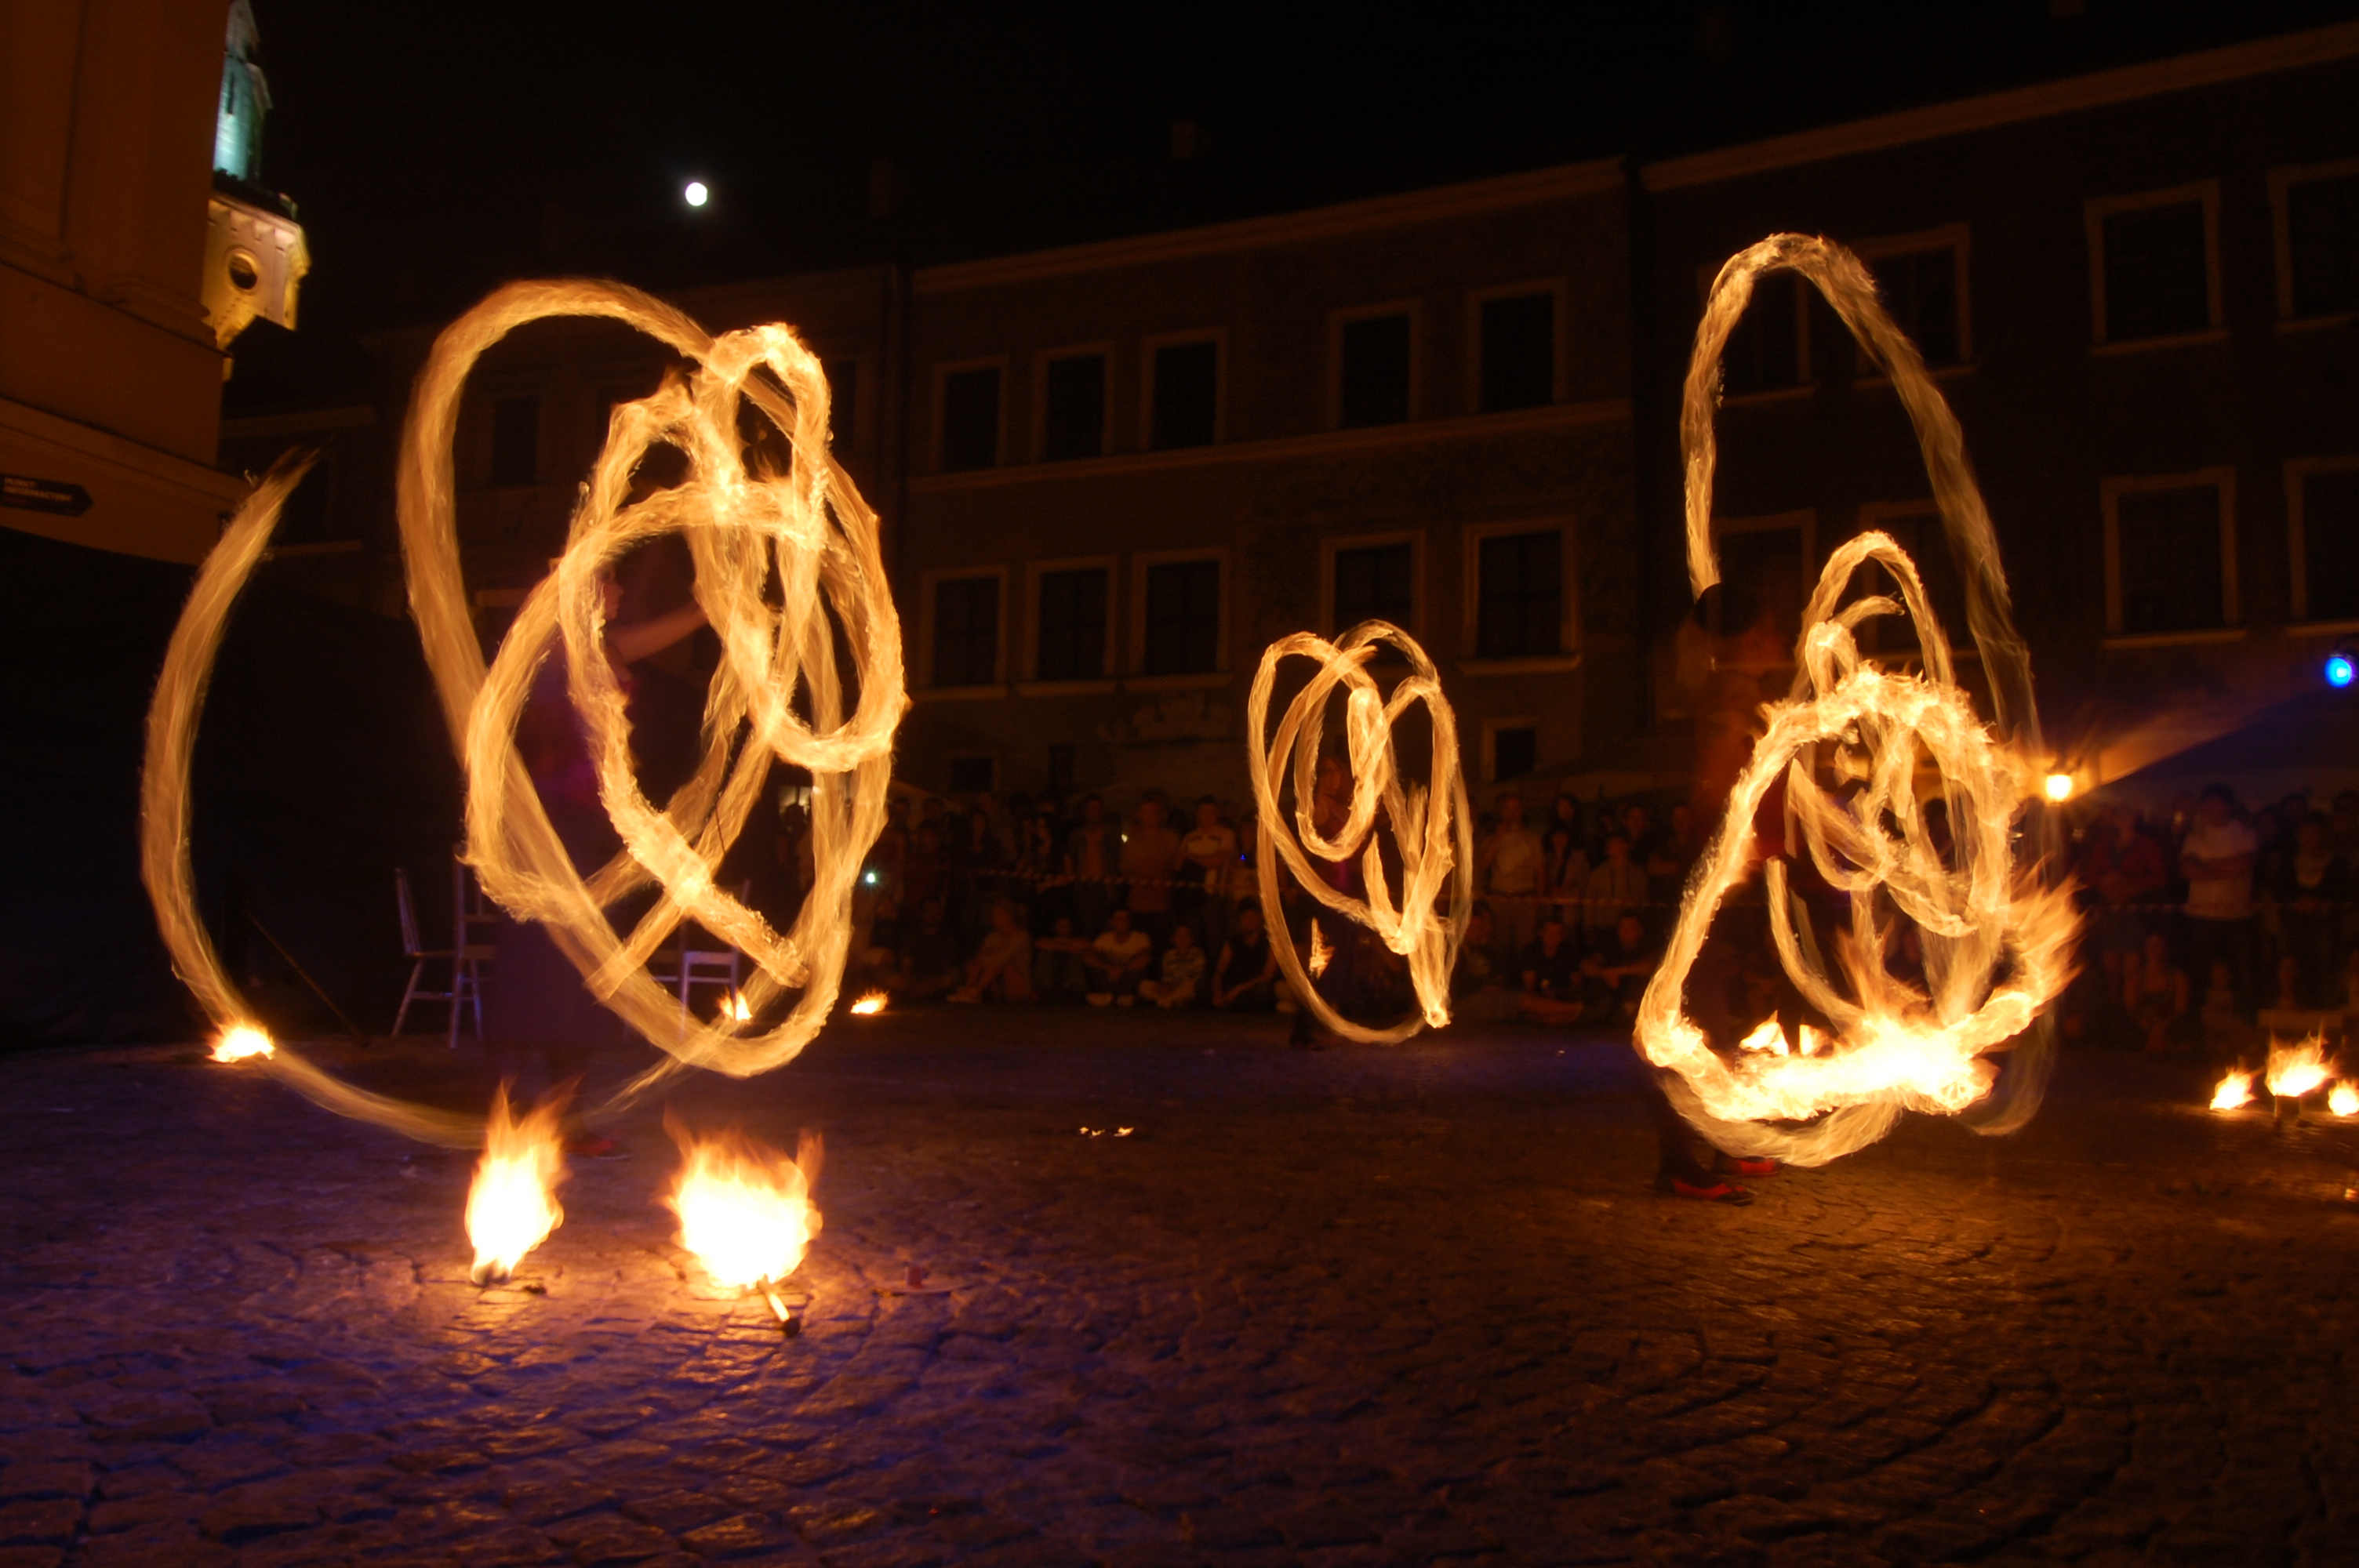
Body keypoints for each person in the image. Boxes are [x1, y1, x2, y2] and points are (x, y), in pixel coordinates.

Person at [484, 564, 706, 1157]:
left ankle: (563, 1118)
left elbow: (674, 626)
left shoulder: (603, 644)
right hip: (545, 825)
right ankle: (505, 1120)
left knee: (575, 976)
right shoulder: (554, 647)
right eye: (609, 582)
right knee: (538, 975)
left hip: (583, 826)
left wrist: (710, 606)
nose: (621, 591)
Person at [2181, 783, 2259, 1018]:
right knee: (2198, 969)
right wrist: (2228, 870)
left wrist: (2207, 867)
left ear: (2227, 806)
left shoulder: (2245, 833)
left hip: (2237, 916)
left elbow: (2245, 863)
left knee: (2244, 970)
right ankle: (2197, 1021)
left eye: (2213, 802)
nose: (2208, 807)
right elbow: (2187, 869)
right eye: (2206, 803)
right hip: (2202, 915)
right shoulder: (2196, 835)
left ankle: (2247, 1021)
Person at [2077, 804, 2167, 998]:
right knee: (2110, 965)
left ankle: (2129, 1005)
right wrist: (2105, 882)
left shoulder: (2146, 844)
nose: (2123, 819)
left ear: (2136, 817)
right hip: (2110, 909)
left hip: (2135, 911)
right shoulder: (2105, 843)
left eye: (2128, 814)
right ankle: (2113, 1006)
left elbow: (2159, 877)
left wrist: (2130, 883)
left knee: (2132, 965)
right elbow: (2091, 874)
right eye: (2119, 815)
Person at [2268, 813, 2348, 1007]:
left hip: (2324, 925)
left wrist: (2319, 902)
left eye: (2314, 833)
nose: (2308, 838)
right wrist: (2296, 901)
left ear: (2323, 836)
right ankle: (2291, 1006)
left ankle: (2325, 1010)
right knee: (2290, 967)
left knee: (2324, 966)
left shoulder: (2336, 864)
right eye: (2304, 834)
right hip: (2293, 925)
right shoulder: (2289, 863)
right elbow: (2279, 890)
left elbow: (2342, 892)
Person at [1478, 791, 1544, 956]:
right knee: (1500, 944)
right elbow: (1482, 865)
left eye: (1516, 809)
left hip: (1525, 899)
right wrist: (1498, 838)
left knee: (1526, 945)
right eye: (1508, 809)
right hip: (1500, 899)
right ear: (1502, 811)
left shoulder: (1532, 839)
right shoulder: (1490, 840)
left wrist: (1538, 901)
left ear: (1521, 811)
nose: (1512, 814)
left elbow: (1540, 872)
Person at [1179, 797, 1240, 960]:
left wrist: (1191, 857)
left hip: (1215, 895)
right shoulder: (1189, 837)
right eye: (1205, 812)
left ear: (1218, 814)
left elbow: (1217, 861)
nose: (1209, 816)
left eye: (1212, 812)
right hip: (1192, 897)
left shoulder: (1226, 834)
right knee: (1195, 941)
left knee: (1215, 941)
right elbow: (1178, 865)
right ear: (1198, 814)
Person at [1121, 795, 1184, 947]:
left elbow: (1178, 867)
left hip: (1162, 905)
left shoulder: (1171, 839)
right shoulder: (1132, 840)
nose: (1149, 816)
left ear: (1161, 814)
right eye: (1145, 812)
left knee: (1161, 947)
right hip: (1137, 905)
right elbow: (1124, 870)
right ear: (1139, 814)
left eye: (1153, 812)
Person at [1582, 910, 1660, 1025]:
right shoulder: (1611, 945)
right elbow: (1587, 965)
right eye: (1622, 927)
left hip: (1639, 997)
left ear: (1640, 930)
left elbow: (1650, 967)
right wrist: (1604, 973)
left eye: (1631, 928)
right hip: (1613, 994)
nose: (1626, 932)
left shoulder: (1647, 946)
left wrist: (1618, 972)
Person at [1449, 901, 1521, 1023]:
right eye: (1472, 927)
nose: (1476, 931)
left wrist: (1496, 985)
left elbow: (1498, 975)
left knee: (1516, 1000)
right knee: (1521, 1001)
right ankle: (1565, 1009)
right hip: (1467, 1001)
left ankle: (1562, 1013)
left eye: (1479, 927)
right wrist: (1481, 988)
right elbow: (1455, 986)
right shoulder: (1454, 954)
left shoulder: (1488, 951)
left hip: (1491, 996)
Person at [951, 899, 1034, 1004]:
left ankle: (976, 991)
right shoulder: (992, 938)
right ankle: (969, 989)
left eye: (998, 915)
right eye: (993, 915)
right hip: (996, 986)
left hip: (1016, 986)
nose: (994, 919)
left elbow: (1002, 957)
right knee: (975, 962)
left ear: (1010, 916)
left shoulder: (1021, 936)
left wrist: (986, 958)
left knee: (1001, 963)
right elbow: (981, 958)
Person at [1063, 796, 1120, 936]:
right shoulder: (1077, 835)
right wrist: (1071, 874)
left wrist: (1101, 843)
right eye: (1091, 808)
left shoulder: (1111, 832)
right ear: (1085, 811)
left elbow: (1119, 855)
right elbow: (1069, 855)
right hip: (1084, 885)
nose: (1095, 812)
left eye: (1098, 808)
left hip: (1105, 886)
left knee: (1106, 927)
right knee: (1086, 927)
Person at [2126, 931, 2190, 1053]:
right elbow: (2130, 1008)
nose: (2153, 949)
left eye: (2158, 944)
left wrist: (2163, 1026)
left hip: (2170, 1026)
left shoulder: (2178, 978)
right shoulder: (2135, 979)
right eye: (2150, 944)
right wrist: (2143, 1023)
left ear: (2167, 949)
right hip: (2142, 1027)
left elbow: (2180, 1009)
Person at [1517, 913, 1587, 1024]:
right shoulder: (1531, 952)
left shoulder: (1570, 952)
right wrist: (1543, 996)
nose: (1553, 937)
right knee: (1527, 1005)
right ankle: (1569, 1014)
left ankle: (1557, 1017)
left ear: (1562, 935)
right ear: (1541, 933)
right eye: (1549, 932)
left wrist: (1559, 993)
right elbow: (1529, 987)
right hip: (1538, 1000)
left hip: (1563, 997)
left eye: (1557, 933)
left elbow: (1577, 984)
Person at [1211, 900, 1280, 1011]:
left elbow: (1268, 975)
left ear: (1260, 918)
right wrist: (1217, 994)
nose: (1249, 920)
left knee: (1264, 993)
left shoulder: (1270, 943)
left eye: (1253, 916)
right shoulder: (1233, 943)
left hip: (1254, 988)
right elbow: (1219, 972)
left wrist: (1239, 989)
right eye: (1245, 917)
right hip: (1234, 986)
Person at [1582, 833, 1648, 937]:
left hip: (1631, 929)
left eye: (1621, 843)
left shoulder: (1638, 873)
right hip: (1604, 927)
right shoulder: (1598, 873)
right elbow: (1590, 901)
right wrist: (1588, 927)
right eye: (1614, 844)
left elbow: (1644, 900)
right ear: (1607, 849)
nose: (1619, 847)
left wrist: (1641, 923)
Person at [1083, 906, 1152, 1006]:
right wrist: (1108, 968)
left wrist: (1123, 969)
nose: (1122, 922)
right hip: (1109, 977)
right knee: (1093, 966)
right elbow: (1088, 956)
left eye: (1125, 919)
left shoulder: (1140, 938)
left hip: (1127, 978)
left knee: (1139, 969)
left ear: (1129, 921)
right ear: (1113, 922)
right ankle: (1116, 997)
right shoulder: (1104, 938)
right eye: (1118, 919)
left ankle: (1113, 997)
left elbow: (1146, 958)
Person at [1139, 923, 1207, 1009]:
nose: (1182, 940)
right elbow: (1167, 977)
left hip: (1186, 987)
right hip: (1172, 988)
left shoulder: (1198, 954)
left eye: (1186, 936)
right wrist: (1165, 987)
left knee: (1190, 986)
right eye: (1179, 936)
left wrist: (1176, 986)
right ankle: (1170, 1001)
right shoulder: (1169, 955)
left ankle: (1165, 1001)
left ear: (1192, 939)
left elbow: (1196, 978)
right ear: (1173, 939)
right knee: (1144, 985)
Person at [1030, 916, 1093, 1002]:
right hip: (1050, 978)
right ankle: (1043, 988)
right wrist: (1066, 948)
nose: (1063, 928)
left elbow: (1087, 945)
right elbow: (1038, 944)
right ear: (1055, 927)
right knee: (1045, 954)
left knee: (1076, 956)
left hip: (1071, 983)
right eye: (1061, 926)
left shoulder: (1079, 941)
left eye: (1066, 925)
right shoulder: (1048, 940)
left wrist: (1066, 946)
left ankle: (1075, 989)